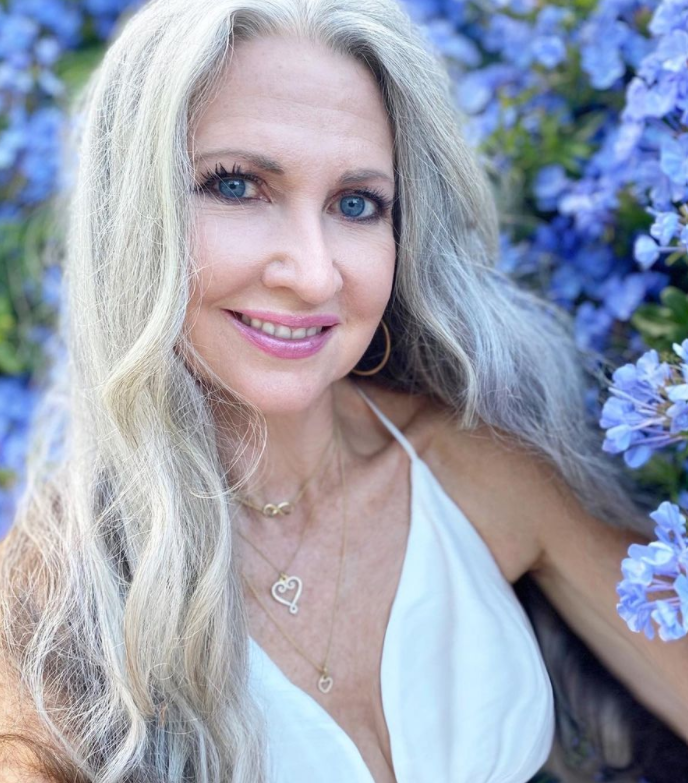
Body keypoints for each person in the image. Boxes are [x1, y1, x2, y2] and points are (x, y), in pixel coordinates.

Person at [0, 0, 686, 781]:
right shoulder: (51, 604)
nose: (314, 272)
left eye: (356, 204)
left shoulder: (477, 465)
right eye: (237, 185)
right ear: (133, 212)